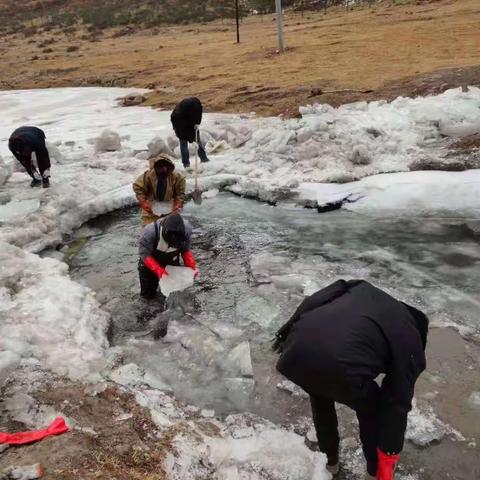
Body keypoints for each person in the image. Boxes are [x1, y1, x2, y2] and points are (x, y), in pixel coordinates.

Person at [273, 279, 428, 480]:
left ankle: (330, 463)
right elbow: (397, 403)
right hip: (337, 361)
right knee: (373, 409)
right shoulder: (409, 336)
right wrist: (389, 455)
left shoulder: (363, 290)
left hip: (296, 351)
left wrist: (284, 334)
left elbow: (315, 299)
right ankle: (373, 473)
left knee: (320, 392)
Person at [138, 213, 198, 300]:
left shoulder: (187, 229)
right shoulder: (149, 232)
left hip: (171, 260)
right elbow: (144, 254)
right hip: (149, 262)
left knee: (174, 292)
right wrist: (158, 269)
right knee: (148, 296)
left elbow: (185, 250)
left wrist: (191, 267)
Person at [133, 154, 186, 226]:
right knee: (148, 232)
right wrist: (143, 202)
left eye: (165, 167)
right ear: (155, 167)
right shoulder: (148, 176)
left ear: (169, 167)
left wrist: (178, 204)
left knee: (171, 232)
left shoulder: (178, 177)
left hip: (170, 209)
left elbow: (180, 193)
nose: (163, 169)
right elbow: (138, 188)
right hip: (150, 210)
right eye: (160, 167)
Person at [170, 97, 210, 169]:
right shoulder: (196, 106)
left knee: (185, 143)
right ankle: (202, 158)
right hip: (182, 124)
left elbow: (173, 117)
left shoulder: (182, 107)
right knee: (196, 141)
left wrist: (176, 128)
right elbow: (198, 117)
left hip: (180, 123)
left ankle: (187, 164)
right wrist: (197, 123)